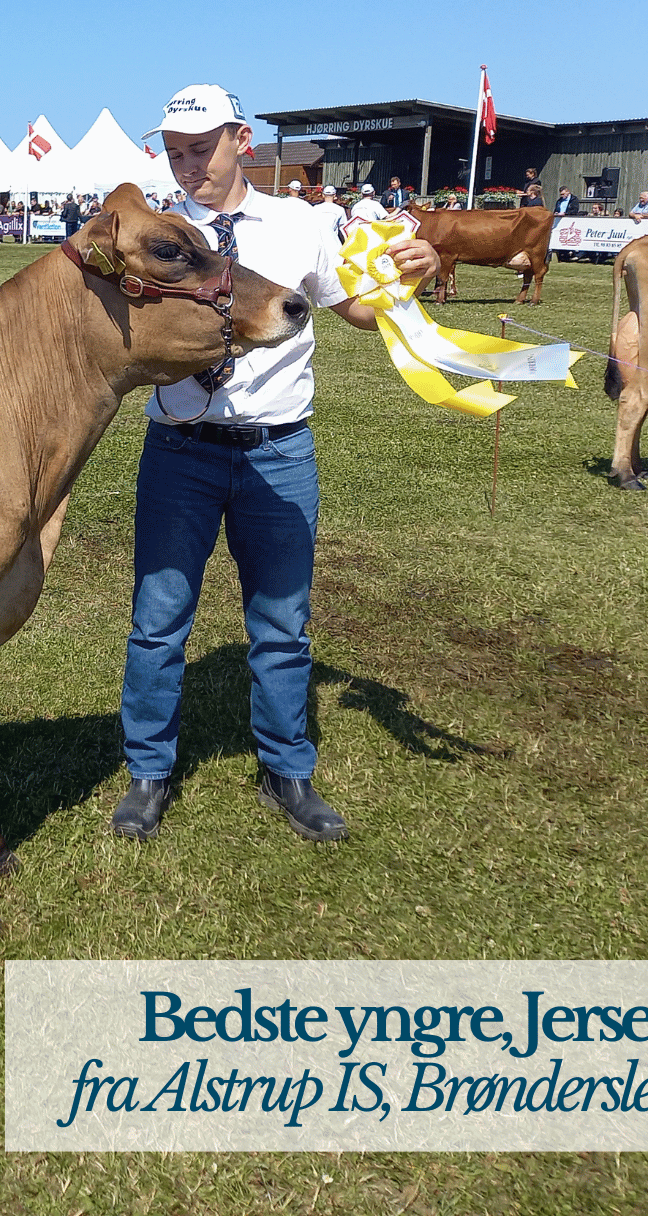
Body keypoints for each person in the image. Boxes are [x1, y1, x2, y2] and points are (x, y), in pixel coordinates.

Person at [110, 85, 442, 846]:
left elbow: (357, 309)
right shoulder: (159, 232)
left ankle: (287, 770)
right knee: (158, 623)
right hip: (181, 451)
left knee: (283, 626)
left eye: (200, 148)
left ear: (241, 140)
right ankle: (149, 771)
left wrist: (409, 272)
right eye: (174, 150)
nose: (186, 164)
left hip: (280, 450)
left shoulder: (300, 225)